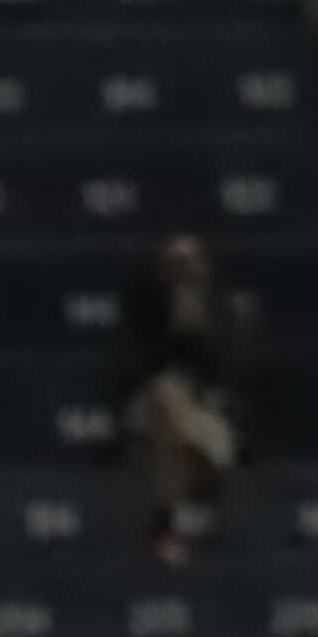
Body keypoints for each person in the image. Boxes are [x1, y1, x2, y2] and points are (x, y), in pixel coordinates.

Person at [119, 232, 239, 564]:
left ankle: (172, 521)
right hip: (149, 407)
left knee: (183, 425)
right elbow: (137, 369)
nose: (184, 271)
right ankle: (176, 517)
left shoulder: (222, 317)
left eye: (190, 263)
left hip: (204, 411)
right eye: (176, 263)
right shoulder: (144, 316)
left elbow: (224, 374)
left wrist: (194, 322)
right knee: (166, 398)